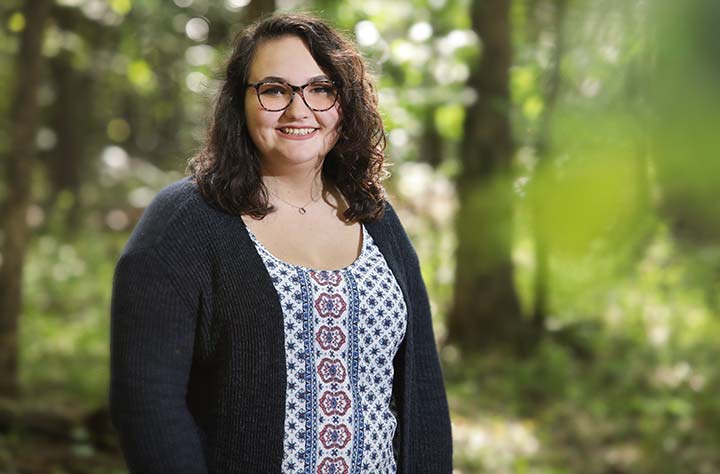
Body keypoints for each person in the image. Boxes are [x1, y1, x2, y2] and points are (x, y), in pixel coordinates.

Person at [109, 13, 452, 474]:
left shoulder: (376, 217)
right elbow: (147, 404)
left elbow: (422, 391)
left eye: (320, 88)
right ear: (240, 101)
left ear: (344, 102)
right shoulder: (184, 223)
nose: (299, 110)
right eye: (274, 90)